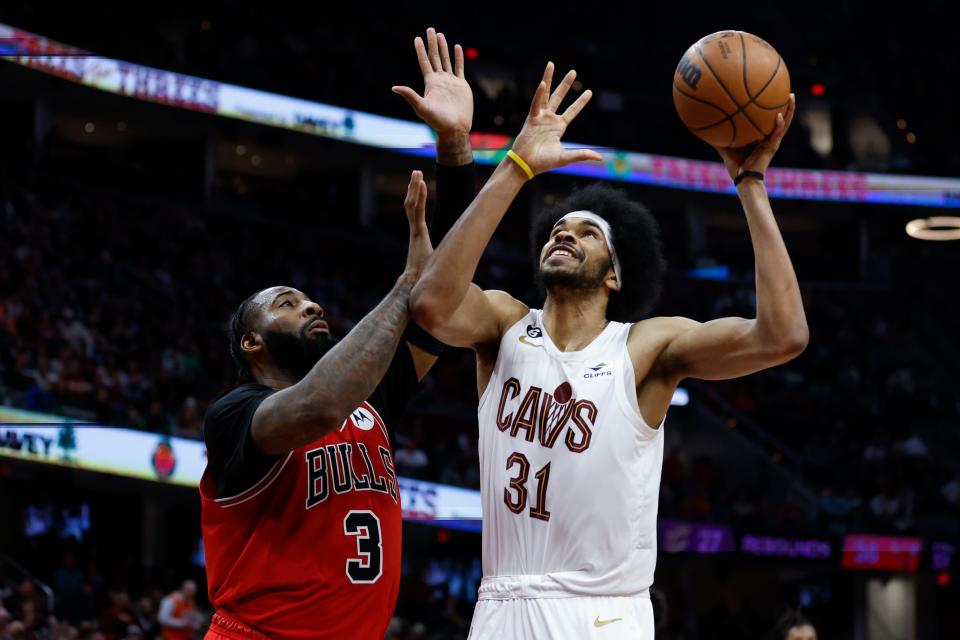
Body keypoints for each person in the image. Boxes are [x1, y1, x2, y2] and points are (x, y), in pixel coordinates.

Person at [411, 62, 808, 639]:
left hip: (602, 612)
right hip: (501, 603)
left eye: (587, 232)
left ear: (615, 276)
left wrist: (750, 184)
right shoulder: (503, 325)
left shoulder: (644, 346)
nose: (564, 234)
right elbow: (431, 306)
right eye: (556, 230)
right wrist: (516, 168)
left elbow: (783, 335)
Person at [199, 28, 476, 640]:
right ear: (252, 343)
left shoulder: (372, 404)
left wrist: (455, 151)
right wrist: (406, 284)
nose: (311, 304)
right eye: (287, 304)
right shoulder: (237, 417)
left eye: (307, 297)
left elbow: (448, 295)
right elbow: (320, 405)